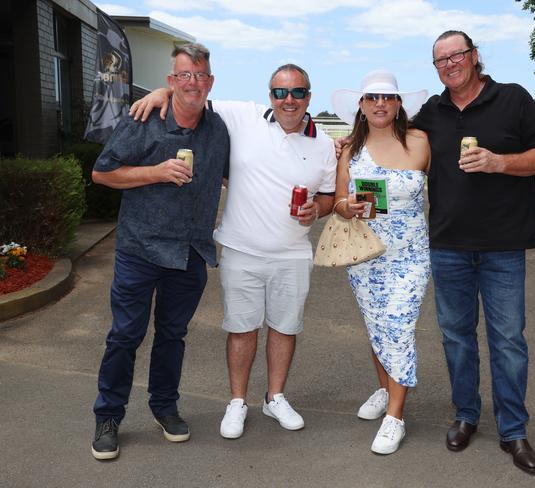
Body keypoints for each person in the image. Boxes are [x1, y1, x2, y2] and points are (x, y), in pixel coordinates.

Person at [130, 64, 336, 439]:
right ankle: (237, 401)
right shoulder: (243, 116)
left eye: (297, 92)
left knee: (284, 328)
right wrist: (163, 92)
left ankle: (275, 398)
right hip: (241, 249)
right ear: (269, 94)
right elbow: (193, 97)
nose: (288, 101)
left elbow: (328, 194)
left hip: (291, 253)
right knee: (242, 329)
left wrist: (318, 209)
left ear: (309, 95)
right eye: (279, 92)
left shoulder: (323, 143)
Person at [411, 31, 535, 475]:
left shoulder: (512, 99)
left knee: (508, 341)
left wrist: (500, 162)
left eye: (456, 55)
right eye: (440, 60)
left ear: (474, 57)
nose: (449, 64)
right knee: (456, 337)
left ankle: (513, 431)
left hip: (503, 245)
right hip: (449, 244)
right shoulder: (431, 113)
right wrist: (349, 147)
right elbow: (394, 145)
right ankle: (466, 415)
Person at [90, 43, 230, 460]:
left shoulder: (218, 128)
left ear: (210, 81)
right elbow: (101, 173)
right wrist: (155, 172)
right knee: (125, 336)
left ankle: (164, 407)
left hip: (190, 253)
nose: (193, 82)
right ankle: (108, 416)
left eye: (200, 75)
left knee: (173, 336)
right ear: (171, 81)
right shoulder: (143, 119)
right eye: (184, 75)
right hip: (140, 249)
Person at [331, 70, 430, 454]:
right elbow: (339, 203)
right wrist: (348, 206)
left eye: (387, 98)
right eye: (372, 97)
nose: (380, 103)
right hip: (367, 254)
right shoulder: (350, 150)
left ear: (399, 103)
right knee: (377, 326)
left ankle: (395, 417)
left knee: (398, 326)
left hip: (411, 255)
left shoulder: (421, 142)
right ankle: (384, 387)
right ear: (361, 104)